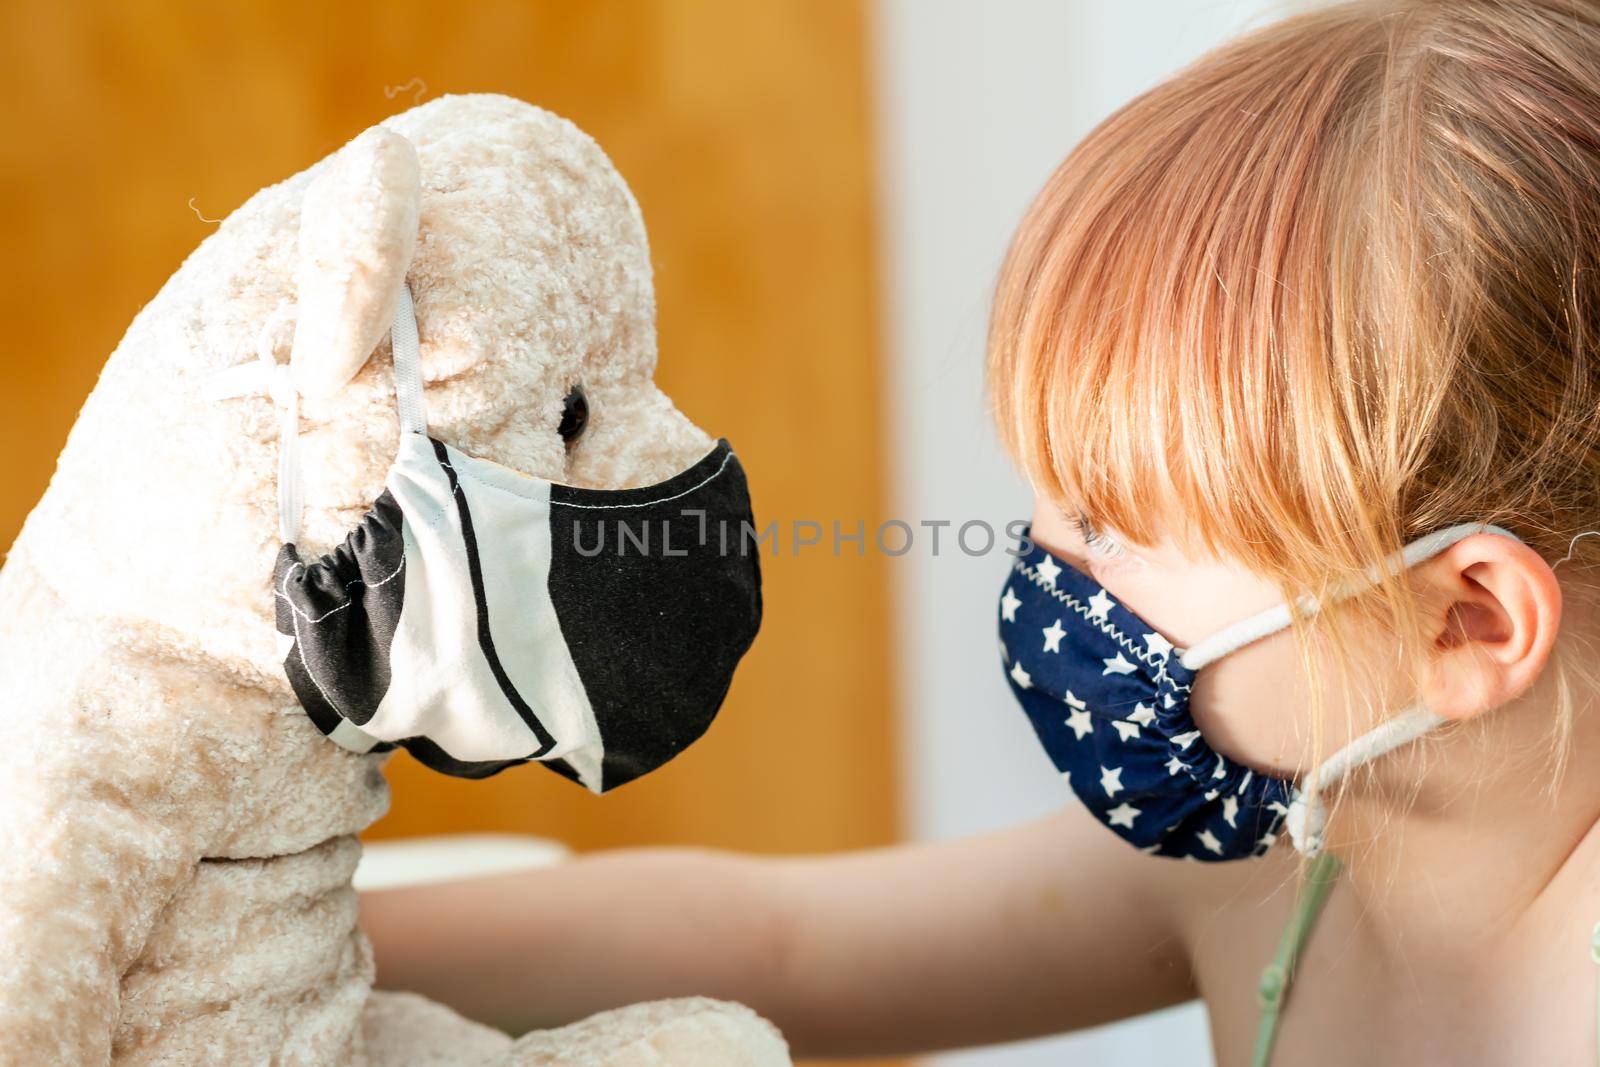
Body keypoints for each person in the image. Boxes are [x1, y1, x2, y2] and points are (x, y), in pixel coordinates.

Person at [359, 2, 1600, 1062]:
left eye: (1106, 523)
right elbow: (775, 939)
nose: (1038, 564)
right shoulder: (1280, 853)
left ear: (1466, 618)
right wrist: (266, 948)